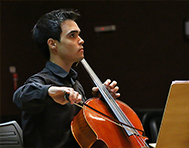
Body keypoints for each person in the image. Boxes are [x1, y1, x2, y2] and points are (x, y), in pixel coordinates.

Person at [13, 9, 120, 148]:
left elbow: (82, 129)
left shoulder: (74, 83)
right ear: (53, 44)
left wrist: (99, 101)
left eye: (79, 35)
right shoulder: (41, 81)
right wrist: (50, 91)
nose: (81, 40)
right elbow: (20, 96)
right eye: (72, 35)